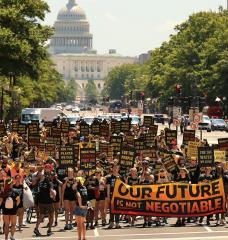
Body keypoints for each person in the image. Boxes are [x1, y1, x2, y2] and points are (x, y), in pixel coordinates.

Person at [34, 164, 56, 237]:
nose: (52, 177)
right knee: (51, 215)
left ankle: (36, 228)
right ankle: (49, 230)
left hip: (40, 201)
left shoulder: (40, 182)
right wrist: (54, 196)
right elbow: (52, 192)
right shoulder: (49, 182)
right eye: (52, 176)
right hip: (48, 201)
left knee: (41, 215)